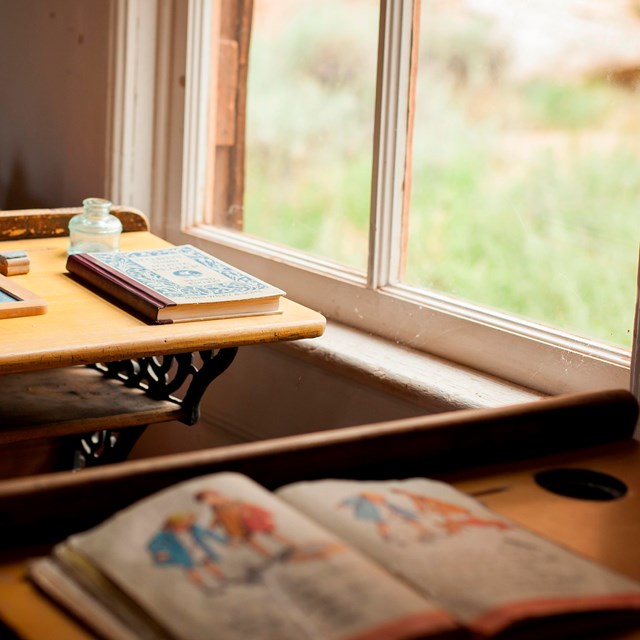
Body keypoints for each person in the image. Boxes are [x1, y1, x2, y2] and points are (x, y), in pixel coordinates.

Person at [196, 489, 294, 557]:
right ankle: (267, 554)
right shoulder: (215, 508)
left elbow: (241, 504)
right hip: (235, 525)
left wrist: (249, 512)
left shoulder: (226, 500)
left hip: (244, 518)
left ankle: (291, 544)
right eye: (206, 502)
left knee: (269, 531)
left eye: (208, 499)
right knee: (249, 540)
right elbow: (217, 518)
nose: (208, 502)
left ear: (213, 495)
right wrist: (212, 526)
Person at [148, 512, 227, 588]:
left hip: (198, 551)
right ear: (174, 524)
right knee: (191, 569)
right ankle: (204, 587)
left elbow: (210, 533)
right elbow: (152, 545)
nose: (187, 524)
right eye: (184, 522)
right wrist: (159, 552)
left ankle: (223, 579)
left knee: (209, 563)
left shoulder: (194, 528)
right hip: (183, 555)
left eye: (187, 522)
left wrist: (224, 540)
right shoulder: (165, 534)